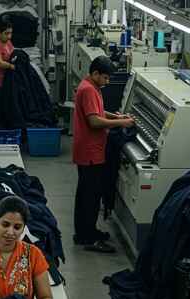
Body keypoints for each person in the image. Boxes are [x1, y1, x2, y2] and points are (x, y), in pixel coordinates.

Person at [72, 55, 135, 253]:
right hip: (90, 151)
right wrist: (121, 123)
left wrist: (115, 115)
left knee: (85, 194)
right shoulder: (89, 90)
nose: (107, 82)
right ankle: (89, 239)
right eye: (106, 78)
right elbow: (94, 122)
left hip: (88, 149)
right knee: (90, 197)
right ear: (95, 73)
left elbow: (98, 113)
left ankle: (84, 232)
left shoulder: (90, 86)